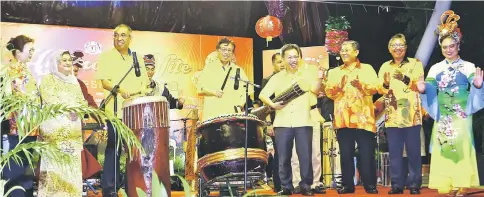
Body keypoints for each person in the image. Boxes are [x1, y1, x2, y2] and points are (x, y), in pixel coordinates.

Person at [417, 10, 483, 196]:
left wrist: (478, 85)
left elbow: (475, 81)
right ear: (441, 48)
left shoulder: (468, 66)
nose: (448, 49)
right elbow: (429, 88)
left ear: (458, 45)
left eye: (452, 46)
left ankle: (461, 184)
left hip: (461, 114)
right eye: (445, 47)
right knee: (444, 146)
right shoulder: (436, 68)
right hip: (444, 115)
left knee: (461, 146)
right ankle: (448, 184)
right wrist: (422, 89)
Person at [259, 44, 323, 196]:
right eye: (290, 57)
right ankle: (286, 187)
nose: (293, 60)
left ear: (300, 57)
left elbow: (315, 90)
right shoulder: (277, 77)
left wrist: (320, 79)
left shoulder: (307, 74)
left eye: (296, 56)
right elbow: (263, 94)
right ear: (283, 59)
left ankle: (305, 186)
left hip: (304, 120)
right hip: (282, 122)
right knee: (284, 156)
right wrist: (273, 104)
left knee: (305, 155)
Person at [96, 24, 150, 197]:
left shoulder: (137, 58)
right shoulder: (106, 57)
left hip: (135, 112)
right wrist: (120, 90)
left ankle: (131, 186)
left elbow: (144, 82)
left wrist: (144, 90)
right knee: (114, 150)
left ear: (130, 38)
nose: (119, 38)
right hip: (116, 112)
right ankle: (110, 189)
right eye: (116, 35)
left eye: (123, 35)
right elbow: (104, 82)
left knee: (134, 153)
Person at [324, 40, 379, 194]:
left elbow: (376, 88)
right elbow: (329, 92)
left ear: (356, 52)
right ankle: (348, 185)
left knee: (366, 153)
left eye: (348, 50)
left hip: (364, 119)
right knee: (346, 154)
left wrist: (361, 86)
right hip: (343, 120)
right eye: (342, 50)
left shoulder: (367, 69)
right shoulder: (335, 72)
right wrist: (338, 87)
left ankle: (370, 185)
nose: (344, 52)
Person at [378, 33, 424, 195]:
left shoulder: (415, 63)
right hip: (393, 116)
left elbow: (419, 86)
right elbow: (380, 90)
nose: (397, 48)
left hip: (411, 115)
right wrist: (384, 83)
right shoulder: (385, 66)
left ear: (405, 47)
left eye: (400, 45)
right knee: (395, 153)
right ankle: (396, 184)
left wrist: (404, 78)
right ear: (389, 49)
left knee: (413, 152)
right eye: (394, 46)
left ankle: (414, 184)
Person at [37, 50, 86, 197]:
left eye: (69, 60)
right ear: (55, 62)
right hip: (55, 132)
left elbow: (82, 102)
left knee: (71, 169)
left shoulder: (74, 81)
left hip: (72, 133)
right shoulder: (47, 79)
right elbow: (49, 99)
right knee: (54, 168)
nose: (67, 63)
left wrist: (78, 111)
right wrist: (68, 109)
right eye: (63, 60)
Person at [1, 35, 37, 197]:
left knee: (23, 172)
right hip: (15, 130)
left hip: (28, 129)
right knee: (13, 173)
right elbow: (15, 98)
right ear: (18, 52)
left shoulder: (25, 70)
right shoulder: (10, 71)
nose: (32, 53)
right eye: (29, 50)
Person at [196, 38, 252, 121]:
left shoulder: (238, 70)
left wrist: (240, 105)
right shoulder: (209, 68)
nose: (226, 53)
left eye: (230, 50)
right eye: (224, 49)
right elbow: (200, 89)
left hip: (232, 115)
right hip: (213, 115)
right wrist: (213, 92)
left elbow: (247, 89)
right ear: (217, 51)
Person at [261, 52, 284, 192]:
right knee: (279, 153)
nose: (282, 64)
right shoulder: (268, 80)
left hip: (292, 119)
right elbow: (265, 105)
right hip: (275, 120)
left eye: (283, 61)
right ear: (273, 64)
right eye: (278, 62)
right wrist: (268, 123)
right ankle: (278, 184)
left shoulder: (290, 77)